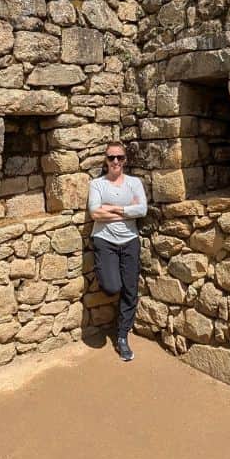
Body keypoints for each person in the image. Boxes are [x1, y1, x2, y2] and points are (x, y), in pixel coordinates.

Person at [88, 141, 148, 362]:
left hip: (130, 240)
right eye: (111, 157)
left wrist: (111, 209)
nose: (116, 162)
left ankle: (122, 336)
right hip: (105, 240)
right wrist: (126, 212)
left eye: (120, 158)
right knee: (113, 286)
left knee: (130, 289)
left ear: (125, 160)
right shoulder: (97, 184)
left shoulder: (134, 183)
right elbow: (94, 213)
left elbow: (142, 209)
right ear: (105, 160)